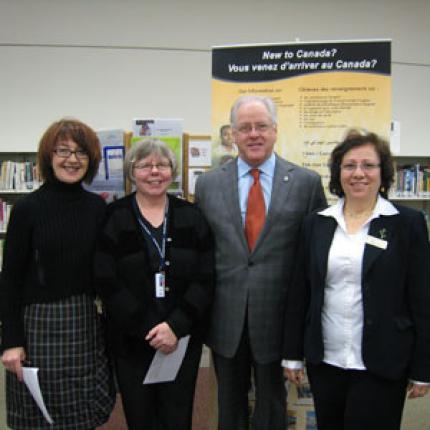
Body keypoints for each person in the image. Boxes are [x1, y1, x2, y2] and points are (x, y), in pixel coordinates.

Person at [195, 95, 326, 430]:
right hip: (225, 318)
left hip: (279, 318)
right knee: (229, 407)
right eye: (245, 128)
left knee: (272, 406)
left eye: (261, 126)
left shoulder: (306, 183)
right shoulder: (208, 184)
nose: (253, 134)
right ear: (233, 134)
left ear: (275, 130)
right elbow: (201, 252)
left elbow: (316, 255)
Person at [284, 129, 430, 430]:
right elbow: (300, 292)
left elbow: (422, 299)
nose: (358, 174)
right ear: (338, 173)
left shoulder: (407, 224)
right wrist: (292, 354)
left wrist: (423, 368)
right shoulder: (317, 223)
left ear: (383, 172)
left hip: (383, 360)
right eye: (349, 165)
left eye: (368, 165)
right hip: (327, 360)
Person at [0, 119, 115, 429]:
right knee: (39, 414)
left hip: (84, 322)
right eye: (62, 150)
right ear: (48, 156)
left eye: (81, 152)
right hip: (38, 326)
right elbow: (9, 279)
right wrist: (10, 340)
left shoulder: (97, 208)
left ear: (91, 160)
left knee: (82, 411)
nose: (72, 159)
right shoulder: (27, 209)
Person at [94, 139, 214, 430]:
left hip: (181, 341)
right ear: (131, 172)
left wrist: (175, 326)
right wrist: (148, 327)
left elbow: (206, 276)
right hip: (132, 341)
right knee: (140, 418)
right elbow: (106, 280)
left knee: (177, 418)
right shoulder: (114, 217)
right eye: (145, 165)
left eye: (162, 165)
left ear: (172, 171)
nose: (154, 171)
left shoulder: (192, 216)